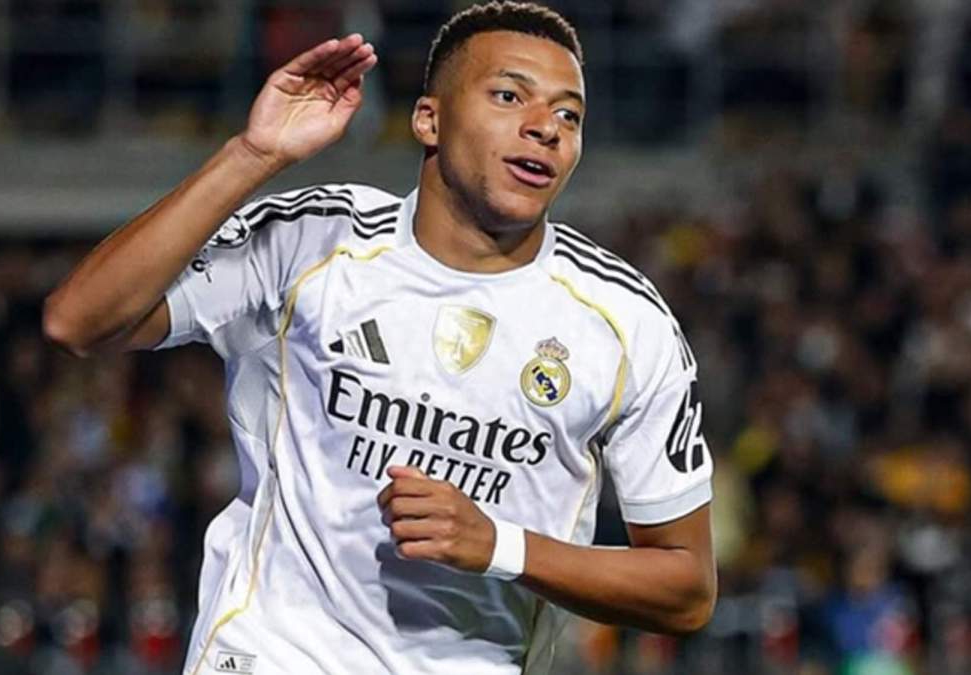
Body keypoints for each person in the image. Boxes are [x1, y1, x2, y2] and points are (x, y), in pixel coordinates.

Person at [43, 2, 716, 673]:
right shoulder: (312, 240)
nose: (544, 127)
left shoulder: (626, 324)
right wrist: (253, 155)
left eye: (568, 115)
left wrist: (497, 545)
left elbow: (687, 588)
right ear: (429, 118)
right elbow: (79, 319)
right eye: (509, 96)